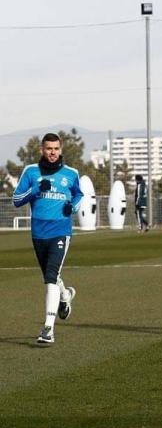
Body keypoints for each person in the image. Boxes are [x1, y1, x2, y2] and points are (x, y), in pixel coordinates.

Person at [11, 133, 83, 345]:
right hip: (38, 232)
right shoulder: (31, 171)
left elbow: (79, 195)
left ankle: (48, 329)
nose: (53, 152)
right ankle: (65, 296)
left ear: (61, 150)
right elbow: (16, 200)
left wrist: (73, 207)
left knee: (51, 277)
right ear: (42, 150)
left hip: (60, 231)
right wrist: (34, 191)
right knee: (51, 275)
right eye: (49, 148)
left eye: (56, 149)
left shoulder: (71, 173)